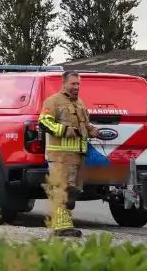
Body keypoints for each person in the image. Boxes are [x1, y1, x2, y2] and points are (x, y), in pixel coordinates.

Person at [38, 71, 99, 238]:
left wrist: (92, 130)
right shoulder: (54, 101)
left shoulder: (80, 103)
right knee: (62, 190)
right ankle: (61, 228)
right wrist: (65, 130)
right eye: (73, 84)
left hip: (77, 155)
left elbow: (84, 124)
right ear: (63, 83)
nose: (76, 87)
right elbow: (43, 122)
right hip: (60, 156)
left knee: (73, 191)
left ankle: (64, 224)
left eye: (78, 84)